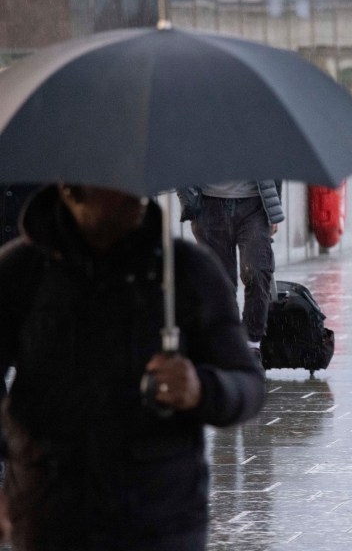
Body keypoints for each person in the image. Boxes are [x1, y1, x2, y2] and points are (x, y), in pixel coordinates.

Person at [0, 184, 265, 549]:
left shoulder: (186, 270)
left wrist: (202, 388)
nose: (136, 197)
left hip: (161, 518)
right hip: (50, 517)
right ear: (71, 192)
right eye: (115, 184)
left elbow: (248, 384)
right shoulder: (21, 272)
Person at [178, 180, 284, 365]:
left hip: (255, 205)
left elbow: (273, 159)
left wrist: (273, 208)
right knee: (220, 283)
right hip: (209, 205)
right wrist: (190, 202)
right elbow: (180, 159)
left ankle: (252, 345)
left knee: (257, 271)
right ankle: (230, 345)